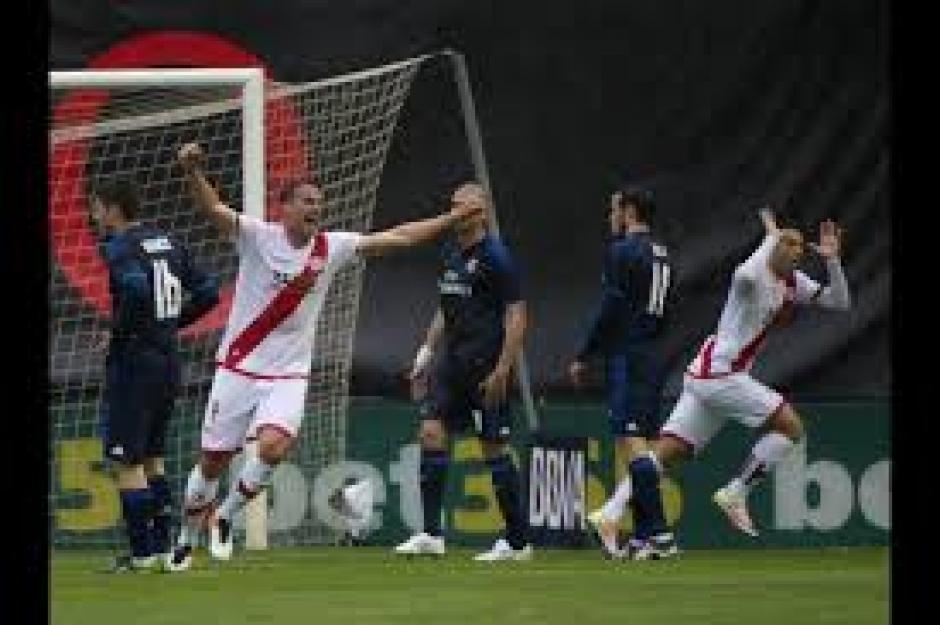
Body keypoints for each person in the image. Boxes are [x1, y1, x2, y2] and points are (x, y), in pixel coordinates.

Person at [167, 143, 484, 571]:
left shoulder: (331, 248)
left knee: (274, 448)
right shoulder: (258, 237)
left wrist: (449, 220)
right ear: (286, 207)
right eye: (307, 201)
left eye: (319, 202)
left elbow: (397, 238)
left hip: (288, 374)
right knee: (212, 462)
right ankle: (185, 538)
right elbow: (215, 210)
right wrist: (192, 172)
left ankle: (224, 517)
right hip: (238, 366)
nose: (316, 208)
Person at [598, 208, 850, 557]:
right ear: (773, 249)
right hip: (720, 374)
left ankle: (610, 513)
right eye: (784, 253)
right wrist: (768, 238)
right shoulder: (754, 273)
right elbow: (744, 273)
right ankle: (736, 492)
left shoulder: (792, 282)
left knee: (667, 453)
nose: (790, 264)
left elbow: (840, 301)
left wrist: (833, 262)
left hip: (712, 377)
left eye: (795, 260)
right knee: (792, 427)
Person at [394, 182, 531, 562]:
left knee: (493, 449)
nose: (456, 213)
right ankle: (431, 534)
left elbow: (517, 314)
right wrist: (425, 351)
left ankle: (518, 543)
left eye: (464, 208)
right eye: (452, 205)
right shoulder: (451, 252)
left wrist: (504, 368)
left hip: (486, 367)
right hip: (451, 365)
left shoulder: (498, 257)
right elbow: (445, 305)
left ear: (482, 213)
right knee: (430, 432)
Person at [89, 175, 219, 571]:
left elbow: (135, 290)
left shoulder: (119, 247)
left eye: (97, 207)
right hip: (168, 362)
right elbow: (210, 292)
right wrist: (170, 324)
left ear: (111, 209)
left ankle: (143, 554)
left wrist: (119, 336)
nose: (95, 216)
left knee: (125, 462)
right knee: (152, 461)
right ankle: (164, 549)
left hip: (135, 364)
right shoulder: (171, 242)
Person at [567, 186, 676, 559]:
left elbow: (611, 306)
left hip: (630, 355)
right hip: (654, 352)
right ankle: (647, 536)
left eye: (613, 209)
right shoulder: (663, 253)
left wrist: (584, 353)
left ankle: (658, 533)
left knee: (631, 442)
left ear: (628, 211)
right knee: (639, 444)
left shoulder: (623, 251)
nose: (609, 217)